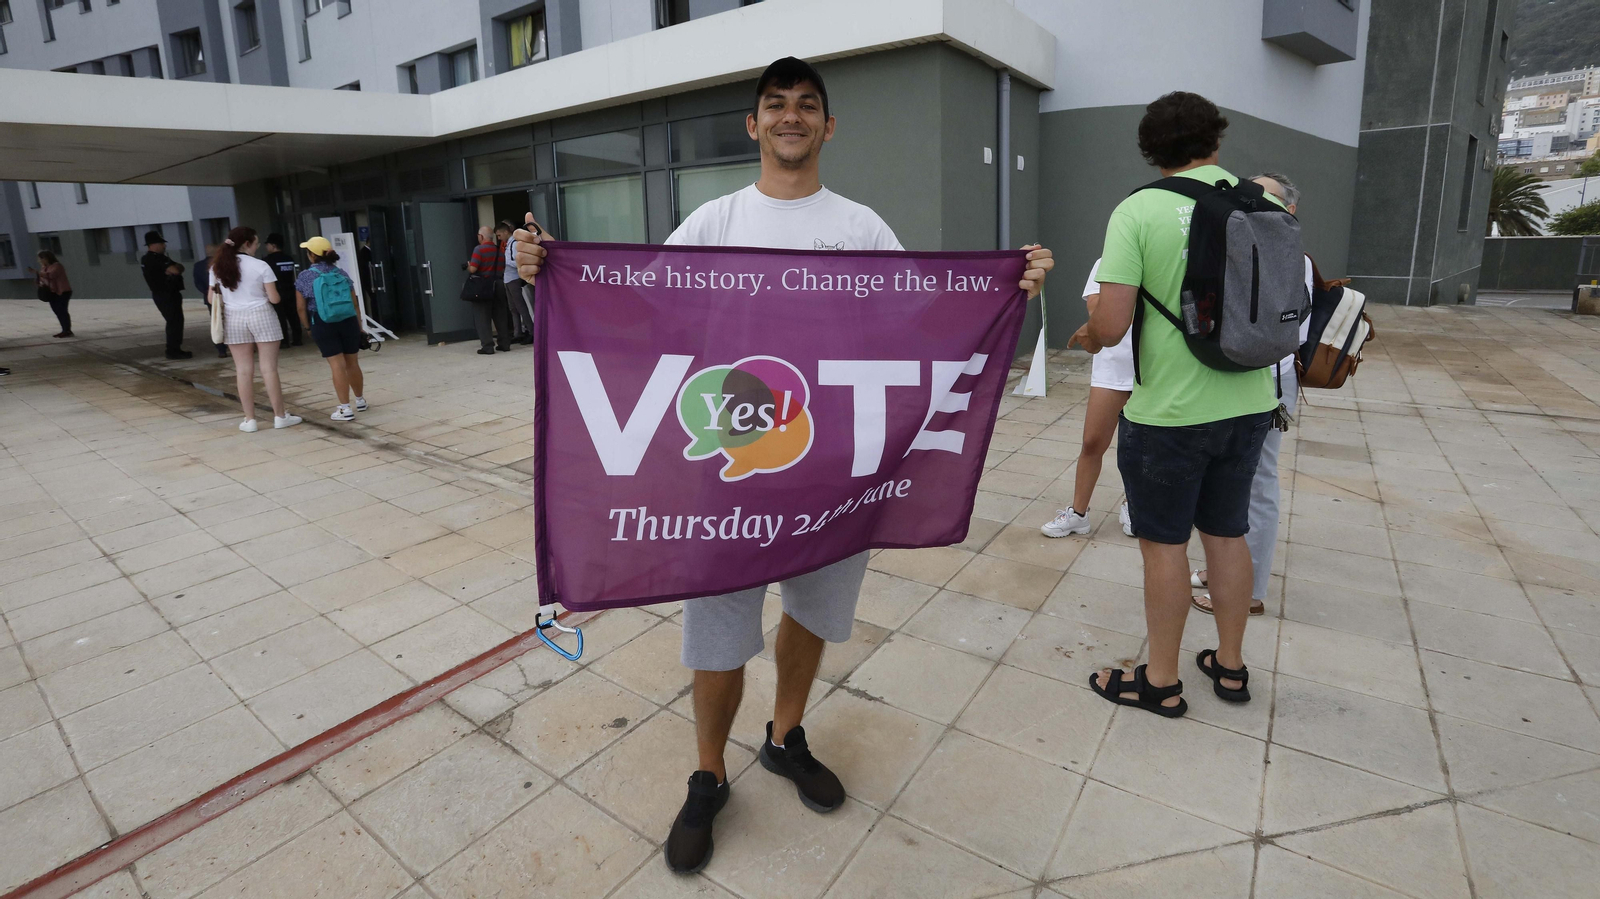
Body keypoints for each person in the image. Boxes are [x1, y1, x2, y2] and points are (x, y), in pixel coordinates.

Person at [514, 56, 1054, 875]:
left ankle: (783, 737)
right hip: (726, 481)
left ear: (828, 126)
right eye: (776, 106)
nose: (791, 117)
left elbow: (918, 324)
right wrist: (546, 278)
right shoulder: (714, 223)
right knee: (718, 633)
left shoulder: (862, 228)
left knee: (811, 616)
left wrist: (1007, 288)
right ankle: (707, 774)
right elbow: (636, 312)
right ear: (753, 125)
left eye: (807, 106)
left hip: (838, 477)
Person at [1073, 91, 1272, 717]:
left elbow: (1111, 324)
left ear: (1150, 149)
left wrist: (1087, 334)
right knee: (1227, 533)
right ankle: (1232, 668)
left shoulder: (1137, 211)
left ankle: (1160, 681)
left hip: (1171, 413)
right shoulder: (1256, 200)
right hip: (1249, 398)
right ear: (1215, 141)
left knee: (1163, 545)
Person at [1190, 173, 1314, 617]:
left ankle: (1251, 591)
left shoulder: (1289, 256)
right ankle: (1223, 570)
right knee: (1230, 487)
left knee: (1258, 484)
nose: (1252, 202)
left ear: (1290, 210)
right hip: (1247, 383)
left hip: (1271, 385)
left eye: (1266, 197)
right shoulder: (1259, 245)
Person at [1042, 256, 1134, 539]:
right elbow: (1097, 308)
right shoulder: (1107, 261)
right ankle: (1078, 514)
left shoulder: (1163, 258)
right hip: (1112, 367)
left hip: (1155, 367)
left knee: (1139, 447)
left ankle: (1135, 506)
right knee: (1093, 442)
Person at [209, 226, 302, 432]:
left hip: (234, 318)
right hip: (262, 315)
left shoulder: (217, 267)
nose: (258, 246)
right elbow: (275, 298)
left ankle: (249, 420)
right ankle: (279, 416)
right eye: (256, 242)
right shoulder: (261, 265)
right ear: (247, 244)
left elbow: (211, 298)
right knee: (269, 368)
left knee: (243, 370)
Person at [294, 236, 369, 421]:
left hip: (323, 322)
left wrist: (307, 327)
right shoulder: (342, 273)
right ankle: (360, 400)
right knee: (352, 362)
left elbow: (301, 307)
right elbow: (355, 303)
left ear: (312, 256)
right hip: (348, 321)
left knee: (337, 365)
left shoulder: (305, 276)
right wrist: (359, 328)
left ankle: (345, 408)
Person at [141, 230, 192, 359]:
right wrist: (175, 269)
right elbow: (176, 269)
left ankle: (174, 349)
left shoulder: (150, 258)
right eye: (162, 243)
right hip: (166, 294)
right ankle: (173, 350)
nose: (164, 246)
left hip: (165, 294)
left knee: (175, 321)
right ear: (154, 244)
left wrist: (175, 269)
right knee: (174, 321)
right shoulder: (155, 258)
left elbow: (179, 267)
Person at [467, 226, 511, 355]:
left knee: (482, 316)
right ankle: (504, 343)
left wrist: (469, 266)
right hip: (498, 283)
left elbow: (474, 269)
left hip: (483, 285)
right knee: (500, 315)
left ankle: (487, 346)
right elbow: (503, 267)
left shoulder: (479, 250)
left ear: (481, 237)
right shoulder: (499, 251)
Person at [263, 234, 304, 349]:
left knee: (280, 318)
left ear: (273, 245)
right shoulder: (289, 259)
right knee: (293, 316)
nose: (266, 247)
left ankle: (284, 341)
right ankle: (297, 339)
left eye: (268, 244)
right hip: (291, 291)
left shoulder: (267, 261)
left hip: (277, 291)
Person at [499, 220, 534, 344]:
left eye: (499, 235)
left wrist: (506, 262)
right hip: (508, 278)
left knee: (521, 306)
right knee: (513, 308)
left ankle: (531, 332)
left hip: (514, 278)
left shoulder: (514, 243)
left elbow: (518, 261)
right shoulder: (508, 244)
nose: (499, 238)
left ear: (505, 232)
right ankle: (517, 332)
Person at [195, 244, 230, 357]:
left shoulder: (198, 266)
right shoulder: (224, 264)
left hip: (211, 298)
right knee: (230, 321)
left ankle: (221, 349)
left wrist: (208, 293)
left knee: (217, 322)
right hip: (227, 297)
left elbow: (197, 283)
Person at [29, 251, 73, 338]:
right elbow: (44, 278)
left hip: (62, 291)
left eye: (41, 258)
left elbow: (51, 275)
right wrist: (38, 281)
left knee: (62, 310)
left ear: (46, 258)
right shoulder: (44, 268)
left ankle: (67, 330)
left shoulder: (57, 266)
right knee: (57, 311)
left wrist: (37, 272)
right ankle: (64, 329)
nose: (40, 261)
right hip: (51, 292)